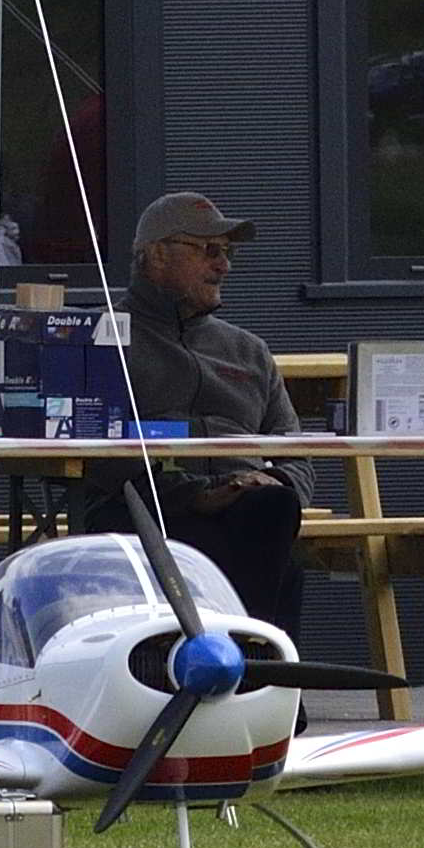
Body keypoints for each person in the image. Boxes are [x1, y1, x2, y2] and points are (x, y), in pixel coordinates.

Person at [117, 191, 308, 630]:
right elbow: (91, 450)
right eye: (209, 250)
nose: (224, 266)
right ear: (157, 255)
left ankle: (249, 658)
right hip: (150, 511)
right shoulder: (106, 339)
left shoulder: (249, 350)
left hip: (250, 511)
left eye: (227, 252)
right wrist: (195, 495)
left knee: (273, 509)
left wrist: (270, 480)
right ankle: (257, 660)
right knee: (267, 552)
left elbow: (297, 453)